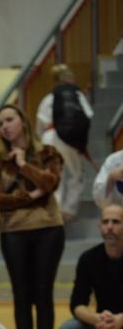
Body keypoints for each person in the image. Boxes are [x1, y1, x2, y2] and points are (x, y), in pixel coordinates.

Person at [0, 104, 64, 329]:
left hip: (48, 228)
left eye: (9, 120)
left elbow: (51, 183)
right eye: (0, 123)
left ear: (23, 121)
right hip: (14, 232)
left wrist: (22, 165)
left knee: (43, 292)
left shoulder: (48, 153)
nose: (5, 126)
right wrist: (31, 196)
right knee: (21, 294)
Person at [58, 203, 123, 329]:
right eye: (105, 222)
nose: (109, 227)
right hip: (103, 327)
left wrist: (120, 319)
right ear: (99, 226)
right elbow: (77, 304)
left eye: (116, 222)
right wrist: (96, 319)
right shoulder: (89, 259)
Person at [35, 64, 93, 220]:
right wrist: (81, 140)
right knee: (75, 174)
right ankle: (69, 210)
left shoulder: (48, 99)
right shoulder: (77, 96)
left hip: (49, 136)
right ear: (70, 78)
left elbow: (39, 126)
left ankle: (55, 209)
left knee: (54, 175)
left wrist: (42, 142)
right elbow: (87, 116)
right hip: (70, 138)